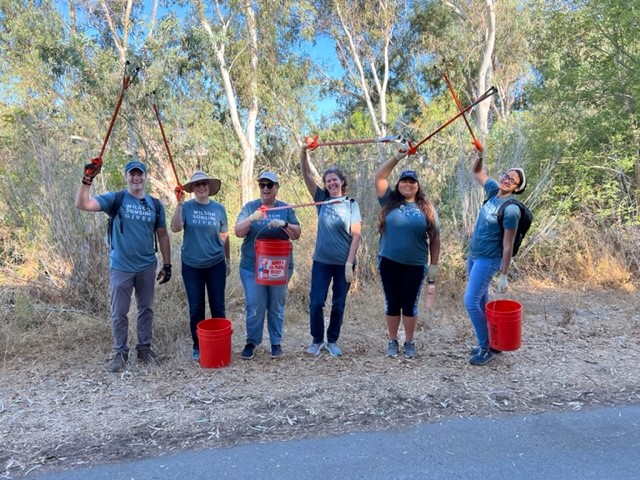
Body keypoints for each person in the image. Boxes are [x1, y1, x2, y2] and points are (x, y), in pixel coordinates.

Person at [75, 159, 171, 372]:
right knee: (119, 311)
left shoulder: (155, 204)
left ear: (145, 177)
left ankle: (144, 350)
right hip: (121, 266)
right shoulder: (116, 199)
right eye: (132, 174)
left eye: (140, 174)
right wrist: (87, 180)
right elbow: (83, 204)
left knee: (146, 309)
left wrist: (167, 264)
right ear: (127, 177)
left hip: (147, 265)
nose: (136, 178)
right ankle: (120, 353)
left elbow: (162, 235)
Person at [374, 150, 440, 359]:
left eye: (412, 182)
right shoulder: (389, 201)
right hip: (389, 261)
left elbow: (435, 238)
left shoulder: (426, 208)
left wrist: (434, 265)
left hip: (416, 264)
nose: (408, 185)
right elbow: (379, 177)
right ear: (399, 184)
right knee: (392, 302)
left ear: (417, 186)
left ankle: (409, 342)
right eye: (404, 181)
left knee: (409, 304)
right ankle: (393, 341)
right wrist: (397, 156)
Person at [300, 141, 362, 357]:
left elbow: (356, 235)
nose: (332, 183)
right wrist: (303, 151)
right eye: (328, 181)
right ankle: (317, 339)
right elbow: (306, 175)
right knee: (316, 302)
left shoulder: (351, 203)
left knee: (338, 304)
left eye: (335, 180)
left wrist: (349, 264)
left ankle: (332, 340)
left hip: (343, 263)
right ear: (325, 185)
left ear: (342, 182)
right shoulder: (321, 200)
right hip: (322, 262)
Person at [464, 153, 526, 366]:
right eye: (505, 176)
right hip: (473, 256)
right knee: (481, 301)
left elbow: (507, 245)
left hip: (488, 260)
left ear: (517, 188)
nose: (506, 180)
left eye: (512, 180)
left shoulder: (510, 210)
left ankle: (485, 348)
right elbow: (477, 172)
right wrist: (480, 155)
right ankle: (493, 342)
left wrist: (504, 274)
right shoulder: (493, 192)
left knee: (470, 302)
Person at [234, 172, 301, 360]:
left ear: (277, 187)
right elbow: (238, 231)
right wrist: (251, 219)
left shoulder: (285, 208)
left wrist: (285, 224)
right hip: (252, 266)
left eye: (269, 185)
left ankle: (276, 343)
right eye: (262, 185)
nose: (265, 188)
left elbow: (297, 233)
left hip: (279, 266)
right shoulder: (250, 207)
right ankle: (251, 342)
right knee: (255, 305)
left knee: (276, 305)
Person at [170, 171, 230, 361]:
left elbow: (224, 236)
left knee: (218, 306)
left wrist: (227, 260)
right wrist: (179, 204)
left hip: (216, 264)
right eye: (197, 185)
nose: (202, 187)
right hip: (192, 266)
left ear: (209, 187)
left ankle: (220, 343)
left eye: (204, 183)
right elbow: (175, 227)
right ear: (193, 189)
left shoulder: (219, 209)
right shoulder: (186, 207)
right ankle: (198, 346)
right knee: (196, 307)